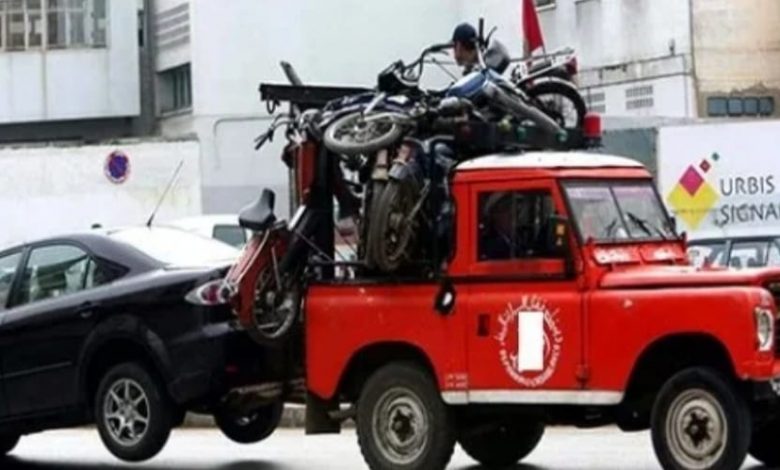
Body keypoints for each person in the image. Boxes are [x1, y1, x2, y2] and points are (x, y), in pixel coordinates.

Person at [480, 192, 516, 260]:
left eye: (512, 208)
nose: (511, 214)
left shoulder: (515, 238)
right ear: (494, 215)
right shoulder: (491, 244)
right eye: (506, 209)